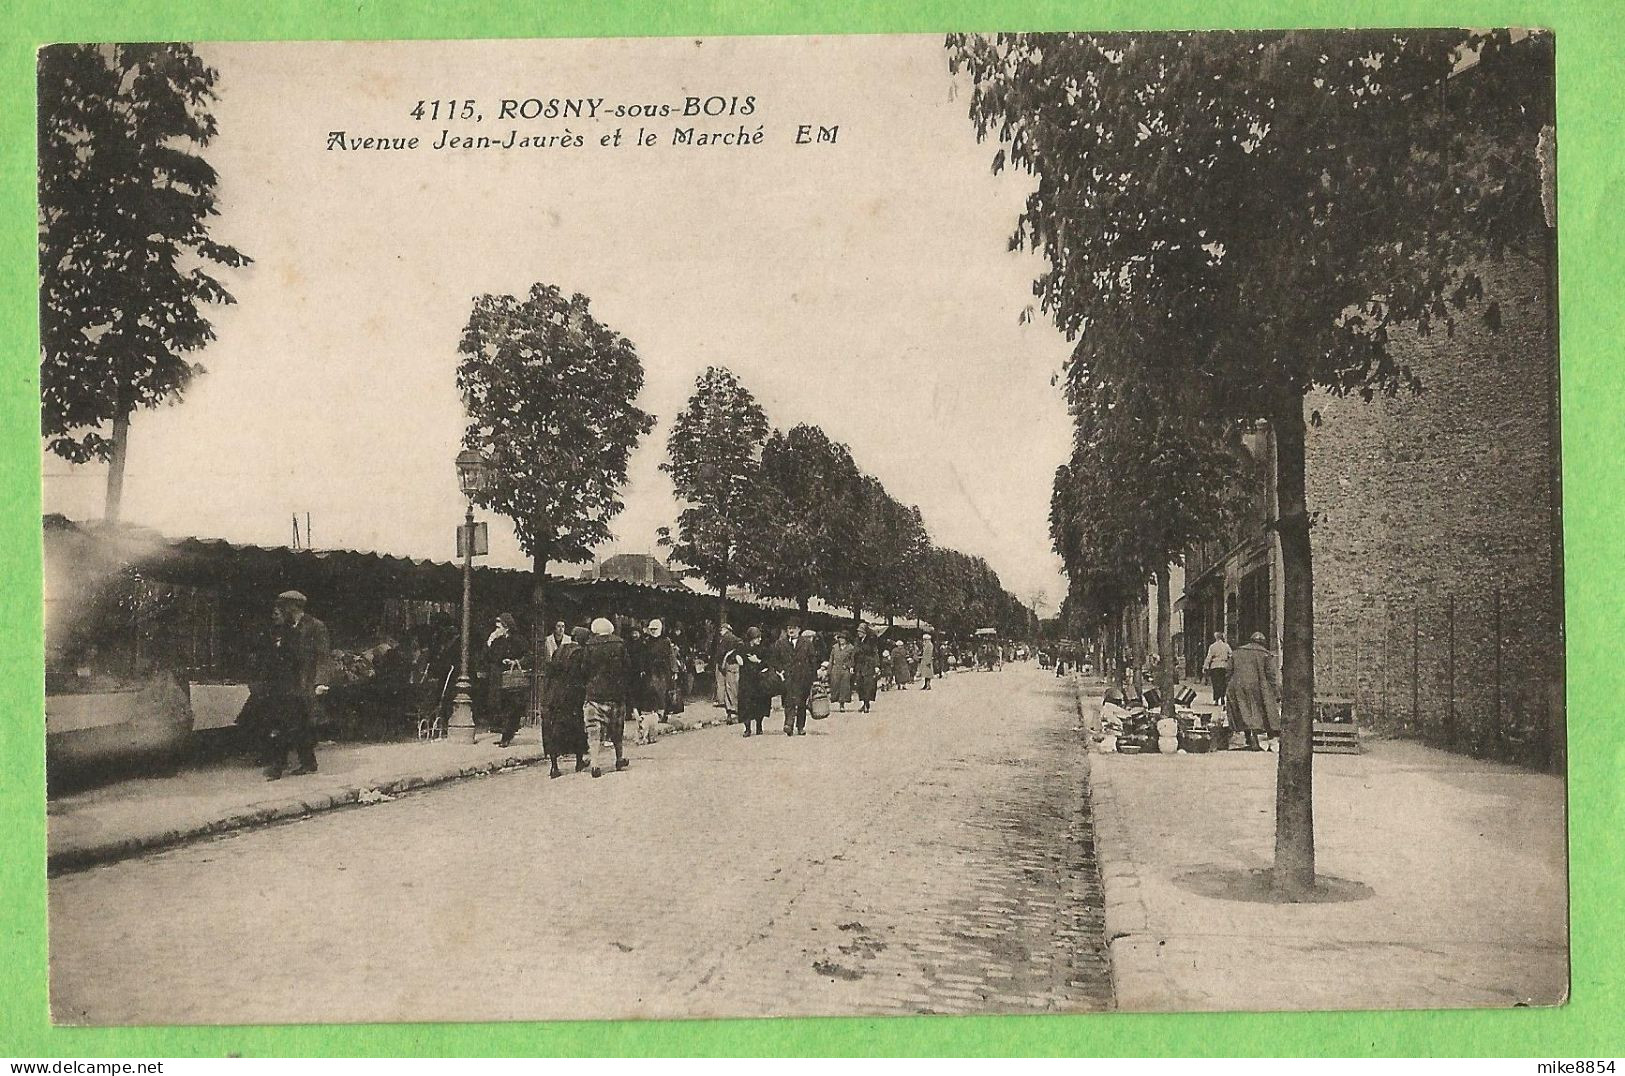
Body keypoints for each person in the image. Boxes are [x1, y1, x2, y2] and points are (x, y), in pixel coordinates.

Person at [263, 590, 332, 781]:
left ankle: (281, 766)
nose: (279, 611)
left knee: (295, 724)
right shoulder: (286, 628)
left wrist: (321, 682)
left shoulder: (316, 626)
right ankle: (305, 763)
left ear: (294, 607)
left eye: (283, 607)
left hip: (306, 683)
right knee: (293, 723)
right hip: (288, 684)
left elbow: (323, 656)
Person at [581, 617, 630, 777]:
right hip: (615, 694)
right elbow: (627, 667)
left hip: (594, 694)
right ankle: (619, 758)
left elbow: (584, 669)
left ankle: (595, 764)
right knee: (617, 728)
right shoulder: (620, 643)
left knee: (593, 730)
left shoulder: (589, 645)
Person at [541, 627, 591, 778]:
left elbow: (550, 670)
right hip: (571, 695)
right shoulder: (581, 653)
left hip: (554, 695)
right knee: (576, 727)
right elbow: (583, 675)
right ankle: (579, 761)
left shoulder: (560, 649)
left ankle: (554, 767)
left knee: (553, 729)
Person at [1226, 631, 1280, 751]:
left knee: (1242, 710)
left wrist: (1229, 685)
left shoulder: (1237, 653)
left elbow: (1228, 671)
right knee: (1257, 711)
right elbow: (1271, 675)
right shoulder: (1265, 654)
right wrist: (1275, 692)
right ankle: (1257, 738)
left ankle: (1247, 737)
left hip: (1237, 685)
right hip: (1258, 686)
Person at [737, 626, 772, 737]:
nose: (759, 640)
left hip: (759, 680)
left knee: (760, 704)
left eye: (760, 637)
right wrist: (738, 658)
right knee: (746, 704)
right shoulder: (743, 648)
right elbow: (736, 656)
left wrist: (758, 661)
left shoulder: (763, 649)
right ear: (751, 638)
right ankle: (747, 728)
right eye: (757, 638)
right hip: (746, 681)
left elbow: (768, 663)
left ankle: (759, 726)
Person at [783, 629, 818, 736]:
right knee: (789, 701)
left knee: (801, 703)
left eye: (794, 628)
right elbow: (776, 658)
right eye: (789, 628)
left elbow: (813, 661)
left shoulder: (806, 643)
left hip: (803, 677)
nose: (791, 630)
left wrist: (814, 678)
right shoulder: (782, 643)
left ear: (799, 629)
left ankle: (800, 727)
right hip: (788, 677)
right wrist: (780, 670)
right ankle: (788, 724)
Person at [646, 619, 676, 719]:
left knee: (663, 690)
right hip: (652, 669)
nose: (653, 631)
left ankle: (663, 712)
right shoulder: (648, 641)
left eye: (655, 629)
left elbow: (671, 656)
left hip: (664, 669)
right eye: (652, 629)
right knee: (653, 690)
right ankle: (656, 711)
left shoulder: (665, 641)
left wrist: (674, 670)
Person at [853, 623, 880, 713]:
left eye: (860, 631)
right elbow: (854, 654)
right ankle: (864, 703)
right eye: (858, 632)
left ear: (864, 632)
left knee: (868, 685)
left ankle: (867, 704)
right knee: (860, 685)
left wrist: (876, 666)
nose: (859, 633)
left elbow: (875, 653)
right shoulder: (857, 641)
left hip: (869, 665)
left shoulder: (871, 641)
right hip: (859, 665)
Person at [1203, 632, 1234, 707]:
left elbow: (1209, 657)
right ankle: (1223, 697)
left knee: (1216, 683)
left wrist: (1205, 666)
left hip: (1215, 666)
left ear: (1215, 637)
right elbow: (1231, 654)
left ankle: (1216, 699)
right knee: (1223, 683)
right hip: (1224, 665)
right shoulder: (1226, 646)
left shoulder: (1212, 646)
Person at [718, 629, 742, 722]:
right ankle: (738, 711)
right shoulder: (737, 639)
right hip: (736, 666)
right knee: (736, 688)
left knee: (728, 690)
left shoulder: (724, 639)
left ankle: (730, 714)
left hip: (728, 666)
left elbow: (720, 653)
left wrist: (720, 665)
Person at [828, 632, 855, 711]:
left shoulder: (850, 648)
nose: (841, 640)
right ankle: (835, 699)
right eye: (840, 638)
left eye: (843, 639)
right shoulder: (834, 647)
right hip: (835, 669)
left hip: (845, 669)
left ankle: (842, 704)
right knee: (835, 685)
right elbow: (831, 659)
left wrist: (849, 666)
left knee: (844, 686)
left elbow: (852, 659)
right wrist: (829, 669)